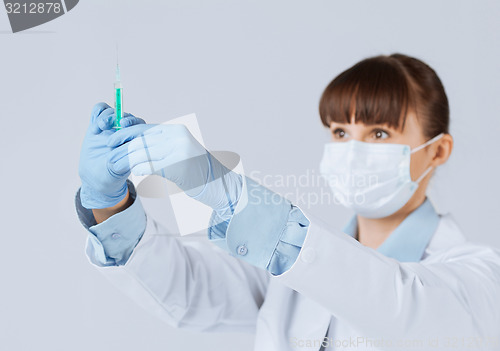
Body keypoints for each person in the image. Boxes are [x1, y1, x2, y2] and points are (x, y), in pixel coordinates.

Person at [75, 53, 500, 351]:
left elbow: (401, 306)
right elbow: (186, 290)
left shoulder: (478, 280)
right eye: (339, 132)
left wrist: (231, 193)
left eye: (379, 134)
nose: (352, 150)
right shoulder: (293, 273)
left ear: (438, 150)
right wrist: (108, 203)